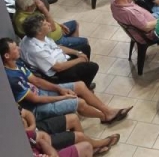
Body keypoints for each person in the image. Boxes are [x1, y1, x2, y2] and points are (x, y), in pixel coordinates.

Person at [2, 37, 132, 123]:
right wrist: (62, 97)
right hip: (37, 107)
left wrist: (59, 89)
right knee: (79, 102)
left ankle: (107, 110)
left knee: (80, 85)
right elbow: (36, 100)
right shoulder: (12, 78)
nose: (19, 48)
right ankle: (104, 117)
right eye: (15, 48)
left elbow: (37, 81)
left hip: (41, 92)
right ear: (7, 55)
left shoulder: (18, 64)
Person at [19, 14, 99, 88]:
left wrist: (77, 53)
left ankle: (83, 81)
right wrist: (80, 60)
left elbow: (57, 47)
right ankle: (83, 89)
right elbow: (58, 67)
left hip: (60, 58)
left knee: (85, 48)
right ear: (39, 31)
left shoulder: (37, 36)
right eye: (45, 24)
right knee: (93, 67)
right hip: (58, 73)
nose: (49, 24)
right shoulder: (36, 50)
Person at [13, 0, 88, 51]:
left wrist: (59, 25)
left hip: (57, 30)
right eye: (34, 4)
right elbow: (52, 28)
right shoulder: (24, 20)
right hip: (55, 39)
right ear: (28, 7)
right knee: (85, 42)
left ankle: (73, 46)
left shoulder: (26, 11)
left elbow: (45, 20)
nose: (36, 4)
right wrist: (43, 8)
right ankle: (74, 49)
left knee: (75, 23)